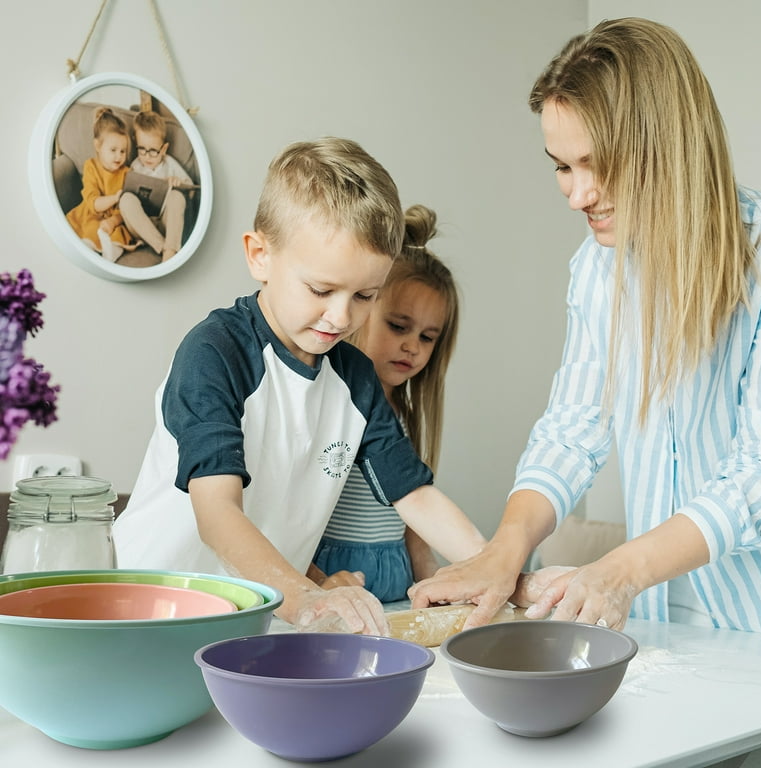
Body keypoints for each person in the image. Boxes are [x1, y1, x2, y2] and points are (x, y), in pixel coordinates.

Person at [410, 17, 761, 638]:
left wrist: (620, 570)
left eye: (596, 164)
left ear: (669, 147)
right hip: (664, 626)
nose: (577, 195)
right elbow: (574, 427)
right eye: (562, 167)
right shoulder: (598, 269)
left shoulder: (760, 263)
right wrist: (506, 548)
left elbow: (757, 478)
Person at [113, 137, 486, 636]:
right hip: (157, 607)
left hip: (256, 616)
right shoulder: (214, 354)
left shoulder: (354, 377)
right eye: (321, 290)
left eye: (364, 296)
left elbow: (415, 496)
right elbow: (217, 513)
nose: (341, 316)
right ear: (260, 255)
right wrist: (309, 599)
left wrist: (497, 570)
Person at [308, 204, 459, 602]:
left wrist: (429, 572)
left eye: (428, 337)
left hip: (396, 578)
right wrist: (316, 581)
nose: (412, 346)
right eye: (398, 326)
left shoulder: (404, 418)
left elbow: (412, 510)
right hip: (336, 576)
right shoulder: (332, 409)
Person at [119, 110, 194, 263]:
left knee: (177, 196)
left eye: (153, 151)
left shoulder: (170, 164)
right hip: (142, 227)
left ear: (164, 149)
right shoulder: (135, 165)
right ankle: (163, 247)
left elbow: (192, 190)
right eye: (142, 149)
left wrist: (178, 183)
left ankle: (170, 250)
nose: (147, 156)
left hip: (166, 224)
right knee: (125, 199)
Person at [65, 106, 137, 263]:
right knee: (91, 229)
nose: (119, 156)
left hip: (116, 219)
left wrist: (113, 221)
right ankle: (88, 249)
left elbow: (126, 210)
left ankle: (109, 252)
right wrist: (114, 198)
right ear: (98, 146)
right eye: (113, 150)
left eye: (123, 151)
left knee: (119, 235)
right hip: (91, 213)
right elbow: (93, 203)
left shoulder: (127, 172)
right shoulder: (90, 166)